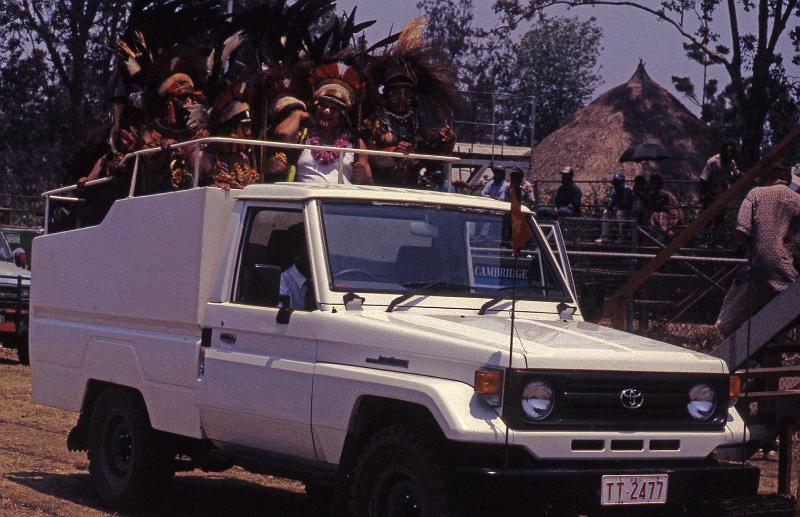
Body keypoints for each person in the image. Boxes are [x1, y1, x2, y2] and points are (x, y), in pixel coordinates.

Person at [715, 164, 800, 337]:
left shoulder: (756, 194)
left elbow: (741, 230)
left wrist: (752, 249)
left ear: (767, 178)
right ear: (788, 179)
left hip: (758, 270)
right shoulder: (798, 200)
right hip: (788, 276)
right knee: (775, 329)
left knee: (725, 324)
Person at [272, 62, 372, 184]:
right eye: (322, 105)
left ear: (342, 115)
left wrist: (363, 178)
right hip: (306, 201)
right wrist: (298, 113)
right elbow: (283, 134)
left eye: (334, 108)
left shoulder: (356, 143)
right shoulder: (302, 135)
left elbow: (369, 181)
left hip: (341, 201)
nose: (326, 111)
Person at [279, 223, 316, 310]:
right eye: (310, 251)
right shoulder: (283, 282)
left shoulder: (327, 281)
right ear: (296, 254)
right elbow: (284, 317)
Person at [595, 172, 633, 244]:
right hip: (621, 212)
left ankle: (622, 237)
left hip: (629, 214)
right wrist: (609, 208)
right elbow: (611, 203)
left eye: (618, 182)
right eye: (615, 182)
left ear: (622, 182)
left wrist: (615, 208)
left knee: (620, 213)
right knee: (606, 212)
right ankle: (606, 236)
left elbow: (625, 205)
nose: (615, 184)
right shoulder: (616, 190)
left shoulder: (627, 190)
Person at [648, 174, 684, 240]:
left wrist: (681, 216)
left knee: (663, 224)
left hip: (668, 215)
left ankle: (675, 239)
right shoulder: (652, 194)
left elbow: (676, 205)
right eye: (651, 182)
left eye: (653, 183)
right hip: (658, 215)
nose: (651, 184)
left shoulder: (665, 194)